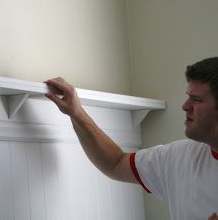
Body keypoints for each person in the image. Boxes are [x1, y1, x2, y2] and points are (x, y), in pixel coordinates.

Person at [45, 57, 218, 220]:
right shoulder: (179, 157)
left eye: (196, 99)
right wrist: (77, 113)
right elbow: (115, 164)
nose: (185, 106)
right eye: (188, 96)